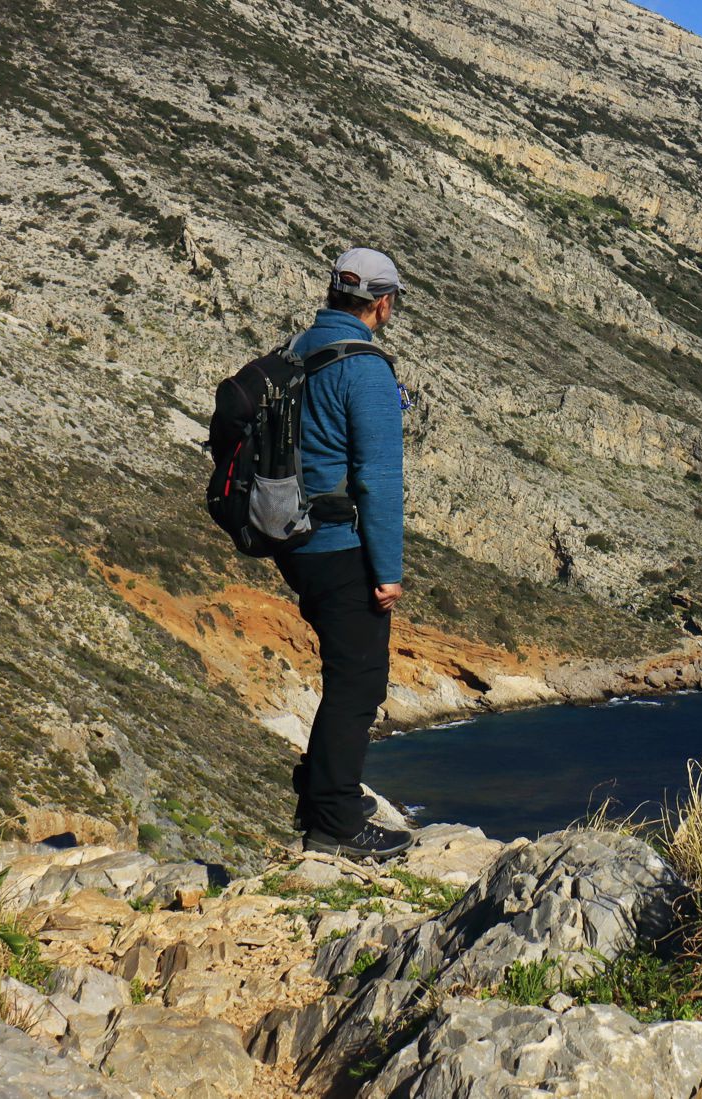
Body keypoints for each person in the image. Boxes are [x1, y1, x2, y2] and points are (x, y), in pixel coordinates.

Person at [276, 247, 413, 860]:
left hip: (295, 538)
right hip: (340, 544)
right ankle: (334, 821)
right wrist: (387, 572)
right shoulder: (366, 369)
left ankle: (325, 796)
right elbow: (378, 481)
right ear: (381, 304)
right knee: (358, 683)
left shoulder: (297, 350)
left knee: (347, 675)